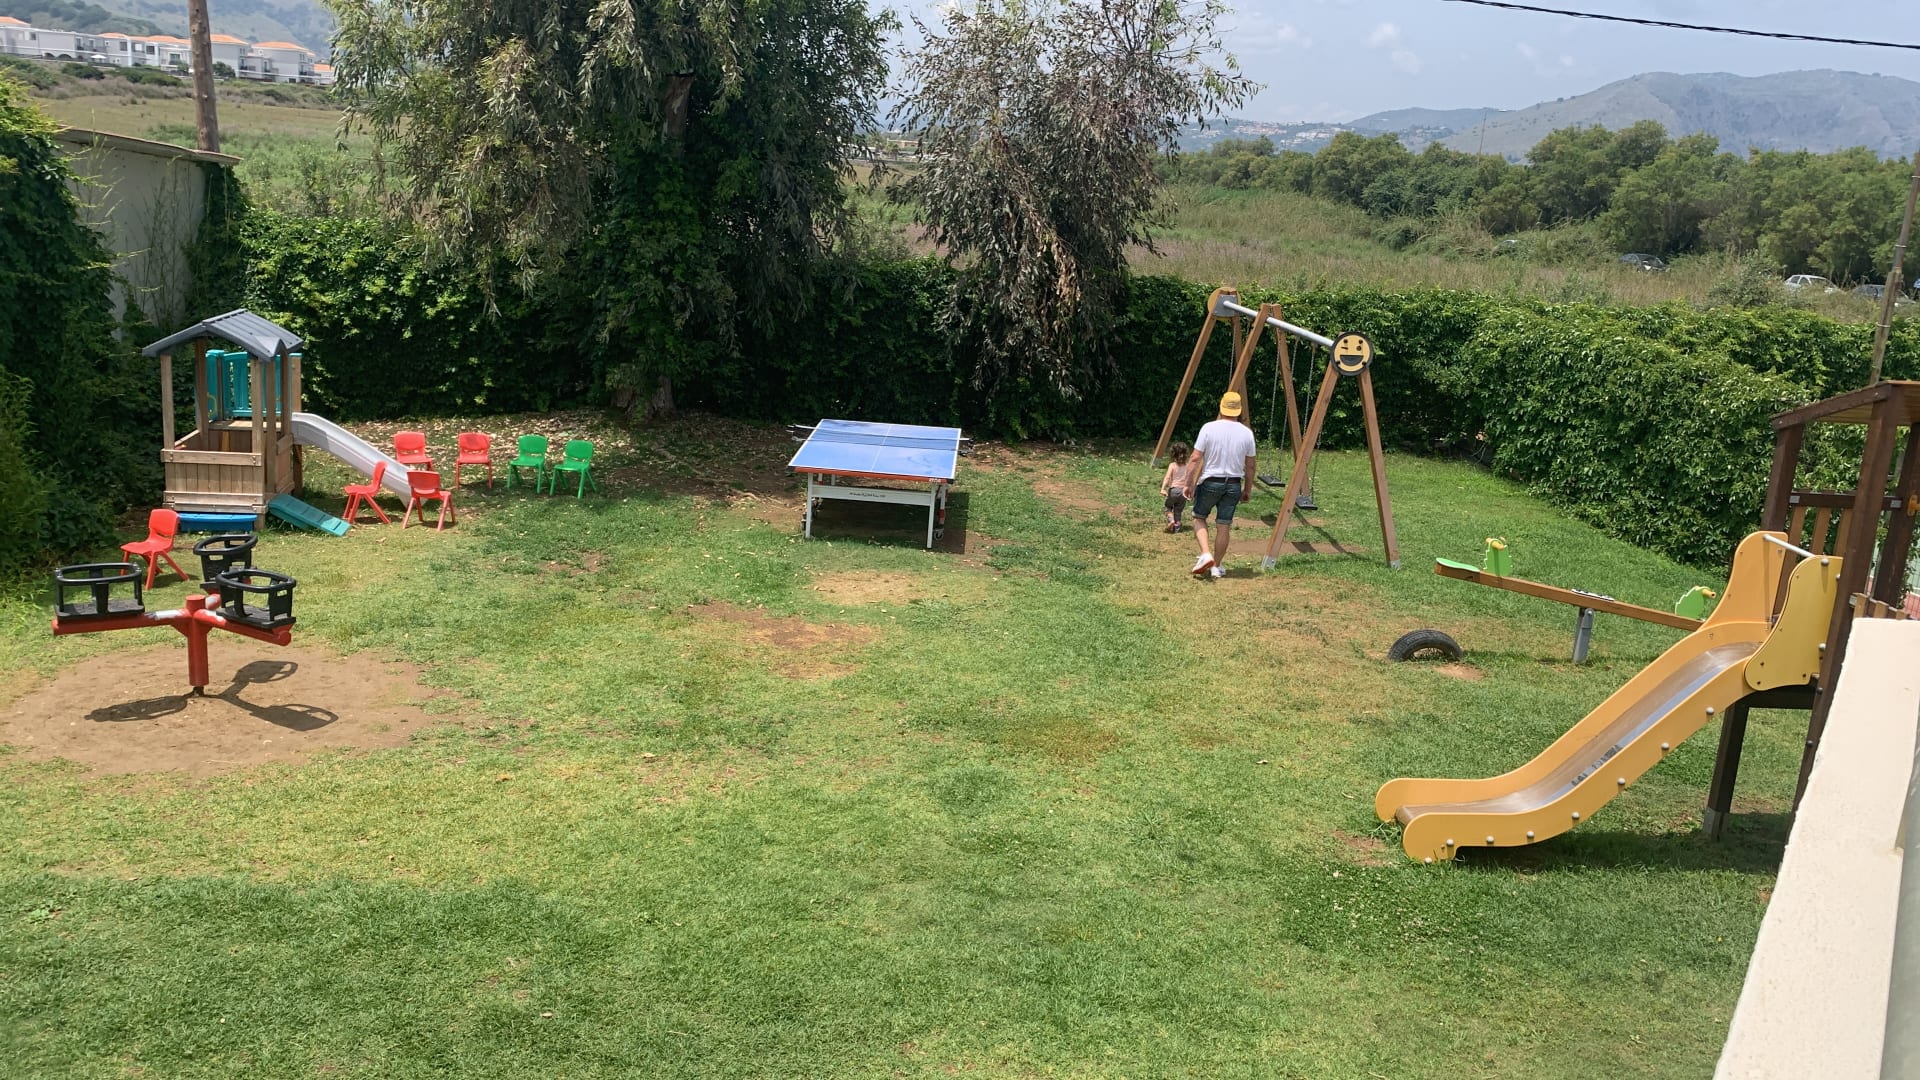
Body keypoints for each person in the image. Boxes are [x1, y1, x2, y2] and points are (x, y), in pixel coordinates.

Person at [1186, 391, 1257, 579]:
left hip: (1211, 481)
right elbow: (1250, 466)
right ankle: (1216, 566)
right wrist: (1247, 489)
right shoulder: (1247, 433)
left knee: (1199, 517)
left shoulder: (1209, 428)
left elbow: (1195, 458)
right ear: (1239, 410)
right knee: (1224, 525)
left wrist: (1188, 483)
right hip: (1233, 484)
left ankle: (1205, 554)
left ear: (1221, 407)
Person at [1160, 442, 1193, 533]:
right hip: (1184, 492)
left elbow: (1167, 477)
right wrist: (1191, 492)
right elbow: (1190, 480)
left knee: (1168, 507)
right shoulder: (1188, 466)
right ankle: (1176, 528)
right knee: (1178, 510)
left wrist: (1163, 488)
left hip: (1174, 491)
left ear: (1173, 454)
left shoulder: (1172, 465)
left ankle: (1171, 520)